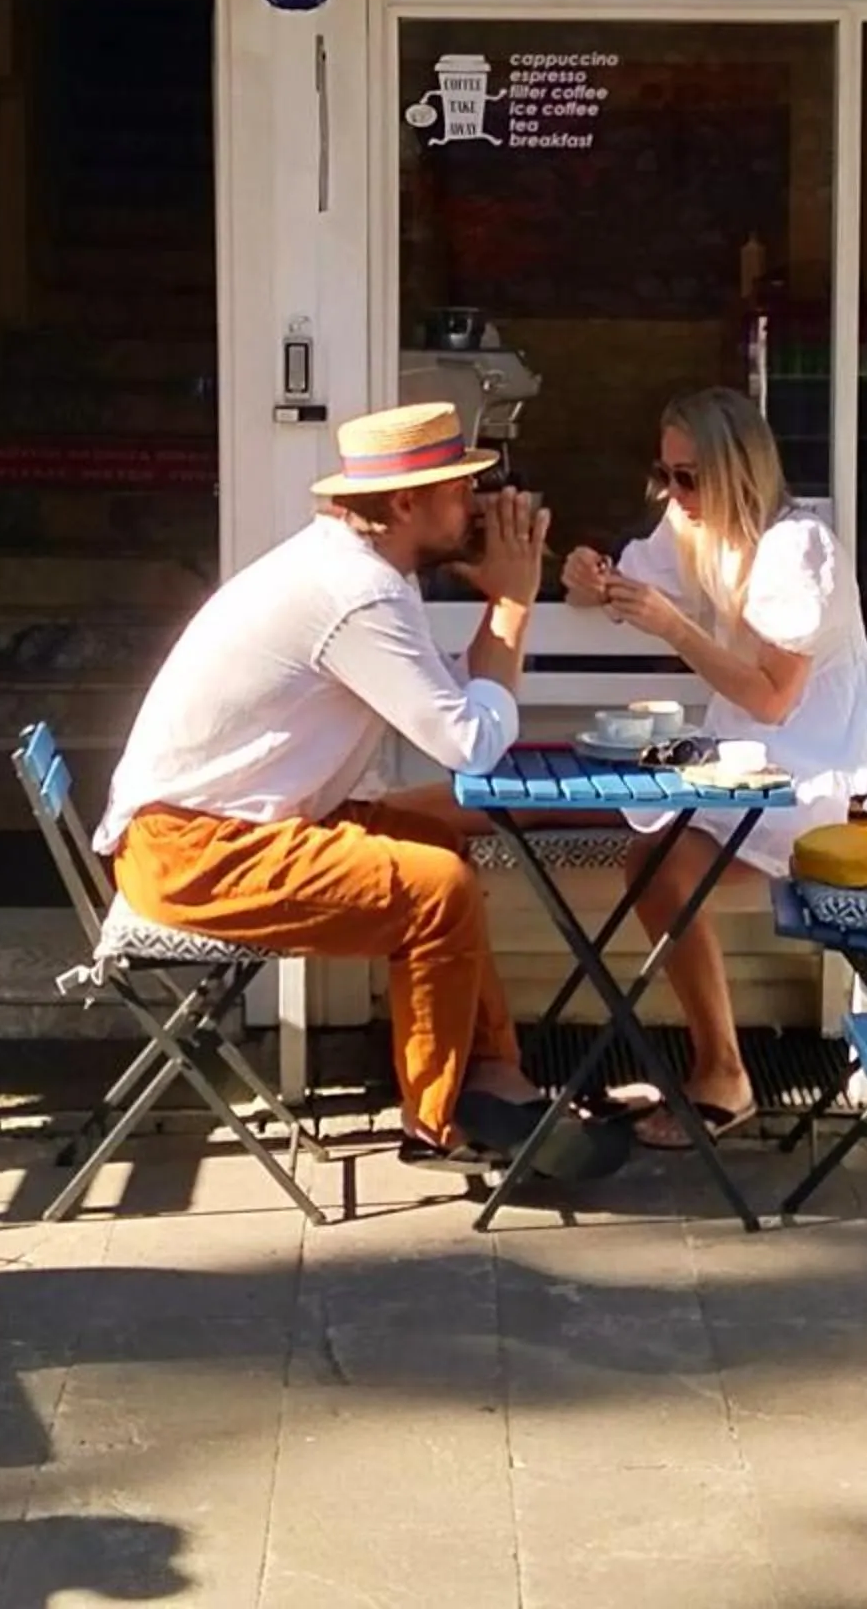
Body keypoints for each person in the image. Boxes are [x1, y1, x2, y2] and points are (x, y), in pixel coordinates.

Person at [94, 400, 623, 1179]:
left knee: (439, 843)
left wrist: (502, 603)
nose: (477, 504)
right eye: (461, 489)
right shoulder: (360, 594)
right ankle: (438, 1125)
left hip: (229, 825)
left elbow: (456, 706)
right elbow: (471, 744)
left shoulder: (363, 574)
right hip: (194, 851)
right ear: (407, 503)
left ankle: (491, 1073)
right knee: (435, 886)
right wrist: (513, 601)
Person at [563, 386, 867, 1150]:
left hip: (831, 784)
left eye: (688, 476)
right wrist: (587, 580)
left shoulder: (801, 549)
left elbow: (770, 698)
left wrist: (673, 625)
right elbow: (627, 585)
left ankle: (722, 1075)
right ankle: (718, 1070)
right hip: (752, 769)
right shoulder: (698, 525)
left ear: (736, 470)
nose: (674, 493)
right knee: (652, 863)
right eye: (664, 475)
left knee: (655, 864)